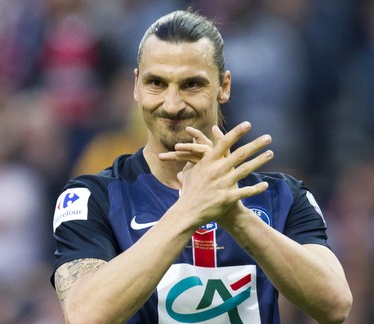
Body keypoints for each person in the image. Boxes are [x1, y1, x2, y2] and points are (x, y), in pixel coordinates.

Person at [51, 9, 352, 323]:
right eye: (156, 83)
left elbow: (335, 304)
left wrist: (235, 215)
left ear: (224, 86)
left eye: (191, 85)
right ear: (136, 85)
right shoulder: (92, 198)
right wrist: (190, 209)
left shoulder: (281, 196)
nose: (172, 104)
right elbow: (86, 315)